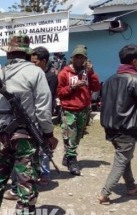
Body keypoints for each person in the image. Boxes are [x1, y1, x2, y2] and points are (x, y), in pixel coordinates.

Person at [0, 34, 58, 215]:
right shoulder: (35, 73)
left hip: (0, 134)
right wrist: (48, 133)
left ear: (8, 53)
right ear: (27, 53)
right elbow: (43, 109)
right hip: (24, 135)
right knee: (26, 177)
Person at [97, 44, 137, 204]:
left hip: (110, 127)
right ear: (134, 61)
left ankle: (131, 187)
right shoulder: (134, 80)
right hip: (127, 128)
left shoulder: (109, 80)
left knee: (124, 157)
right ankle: (105, 193)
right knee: (122, 159)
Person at [57, 44, 101, 176]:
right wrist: (73, 87)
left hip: (84, 110)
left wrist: (92, 73)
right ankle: (72, 160)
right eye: (77, 57)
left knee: (78, 136)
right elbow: (59, 92)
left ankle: (68, 156)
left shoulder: (88, 73)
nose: (79, 60)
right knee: (70, 135)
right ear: (72, 58)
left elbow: (96, 87)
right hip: (69, 109)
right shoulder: (64, 73)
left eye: (82, 58)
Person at [31, 46, 59, 185]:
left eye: (35, 62)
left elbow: (48, 99)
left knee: (44, 145)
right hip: (32, 116)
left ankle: (45, 173)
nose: (32, 64)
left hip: (43, 114)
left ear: (43, 61)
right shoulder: (33, 74)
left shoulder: (50, 76)